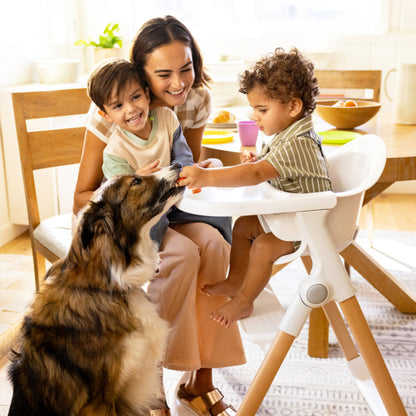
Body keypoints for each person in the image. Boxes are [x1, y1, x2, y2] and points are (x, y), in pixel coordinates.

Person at [73, 16, 245, 416]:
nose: (179, 84)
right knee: (182, 256)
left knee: (217, 246)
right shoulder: (114, 108)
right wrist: (133, 187)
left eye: (186, 68)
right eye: (163, 74)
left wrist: (203, 172)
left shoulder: (193, 101)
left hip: (175, 208)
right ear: (141, 75)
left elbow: (187, 166)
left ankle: (199, 381)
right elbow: (82, 197)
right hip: (120, 219)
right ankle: (147, 382)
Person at [179, 47, 332, 329]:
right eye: (254, 109)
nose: (255, 116)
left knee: (262, 247)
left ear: (293, 107)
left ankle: (244, 300)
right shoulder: (289, 134)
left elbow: (255, 175)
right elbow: (271, 169)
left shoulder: (298, 142)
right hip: (290, 215)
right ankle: (236, 280)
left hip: (310, 225)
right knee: (244, 226)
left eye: (262, 110)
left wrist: (206, 177)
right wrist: (260, 160)